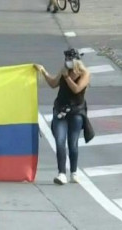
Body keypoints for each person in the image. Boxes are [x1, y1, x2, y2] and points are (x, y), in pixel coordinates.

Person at [34, 49, 92, 185]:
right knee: (60, 141)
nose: (68, 62)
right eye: (66, 60)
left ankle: (73, 172)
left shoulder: (85, 73)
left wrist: (66, 77)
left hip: (76, 112)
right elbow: (53, 84)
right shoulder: (64, 70)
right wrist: (43, 71)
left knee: (73, 143)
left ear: (77, 61)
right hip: (60, 111)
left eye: (70, 60)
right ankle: (61, 173)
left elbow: (77, 89)